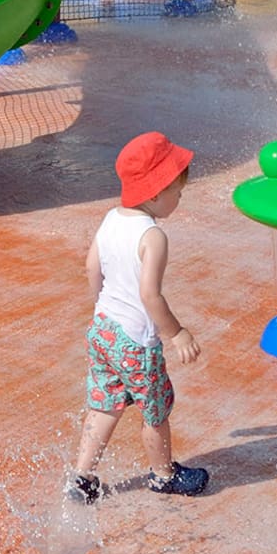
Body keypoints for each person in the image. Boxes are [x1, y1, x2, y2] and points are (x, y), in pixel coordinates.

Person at [70, 131, 209, 501]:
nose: (179, 198)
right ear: (155, 192)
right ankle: (164, 474)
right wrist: (176, 333)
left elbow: (91, 268)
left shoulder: (111, 218)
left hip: (103, 331)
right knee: (155, 410)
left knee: (105, 404)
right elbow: (150, 295)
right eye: (177, 192)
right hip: (136, 343)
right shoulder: (152, 236)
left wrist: (101, 307)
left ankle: (81, 477)